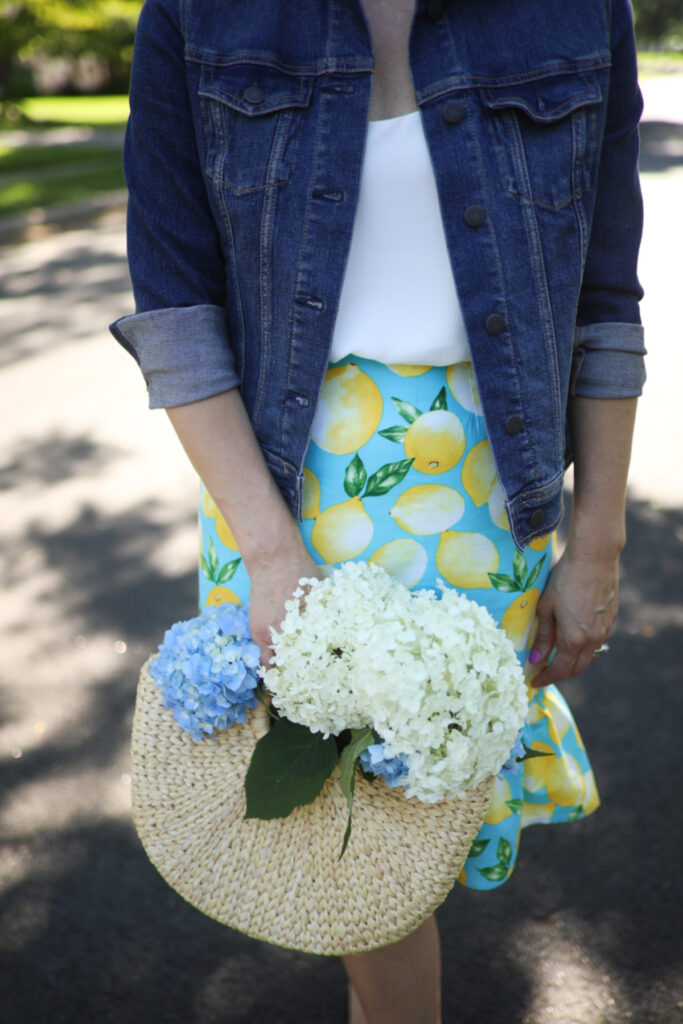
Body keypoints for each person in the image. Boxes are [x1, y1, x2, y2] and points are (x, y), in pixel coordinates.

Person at [111, 0, 646, 1020]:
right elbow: (174, 301)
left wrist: (598, 540)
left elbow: (601, 298)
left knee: (407, 847)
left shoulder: (580, 10)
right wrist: (268, 553)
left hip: (484, 498)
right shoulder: (195, 9)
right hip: (276, 495)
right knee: (349, 854)